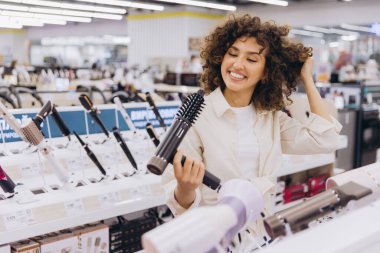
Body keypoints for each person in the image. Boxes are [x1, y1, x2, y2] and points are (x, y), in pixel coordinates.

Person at [162, 14, 342, 242]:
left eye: (252, 59)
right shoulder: (197, 115)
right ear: (220, 57)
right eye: (233, 53)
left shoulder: (269, 117)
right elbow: (179, 204)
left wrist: (307, 79)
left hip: (262, 234)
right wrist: (185, 188)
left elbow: (325, 140)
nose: (238, 64)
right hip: (215, 238)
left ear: (266, 71)